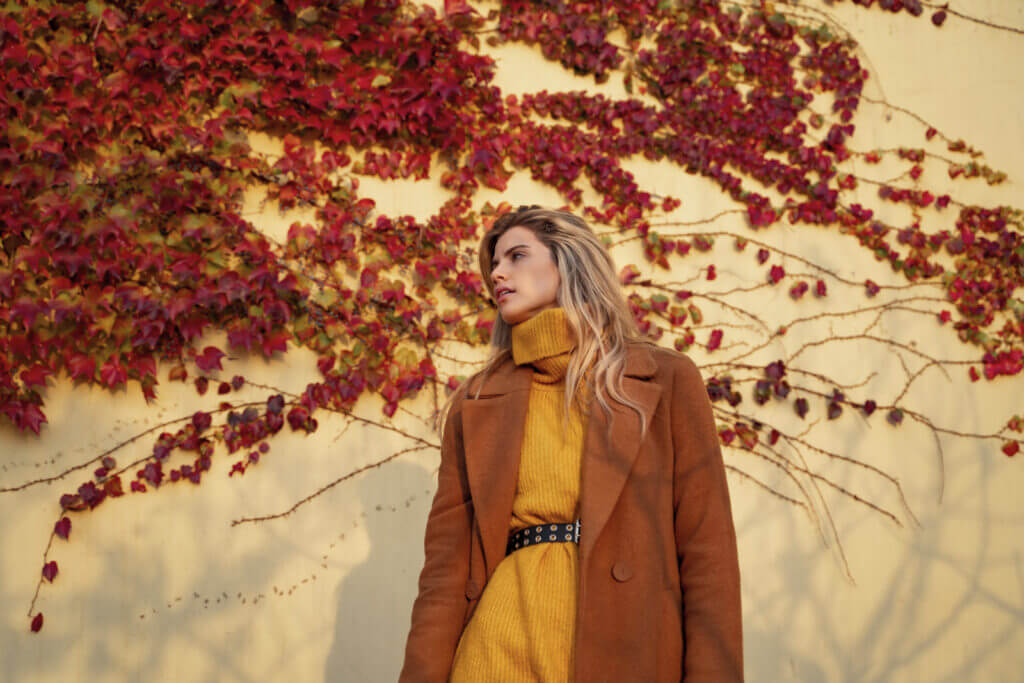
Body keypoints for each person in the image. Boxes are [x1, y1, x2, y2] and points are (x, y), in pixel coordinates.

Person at [399, 206, 743, 682]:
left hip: (620, 645)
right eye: (494, 264)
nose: (497, 273)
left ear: (570, 262)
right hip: (494, 650)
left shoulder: (663, 380)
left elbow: (709, 556)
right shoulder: (476, 401)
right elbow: (443, 573)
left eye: (517, 255)